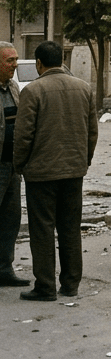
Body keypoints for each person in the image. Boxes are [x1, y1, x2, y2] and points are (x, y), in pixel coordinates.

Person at [13, 40, 98, 301]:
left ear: (39, 63)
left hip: (42, 174)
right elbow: (92, 132)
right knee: (70, 228)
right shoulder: (83, 88)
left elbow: (24, 135)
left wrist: (20, 165)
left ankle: (46, 286)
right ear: (62, 60)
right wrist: (84, 161)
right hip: (74, 171)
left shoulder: (33, 91)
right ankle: (71, 284)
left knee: (43, 230)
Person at [0, 42, 29, 287]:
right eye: (10, 60)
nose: (15, 65)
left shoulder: (13, 87)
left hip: (12, 165)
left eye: (16, 59)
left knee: (10, 220)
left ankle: (4, 268)